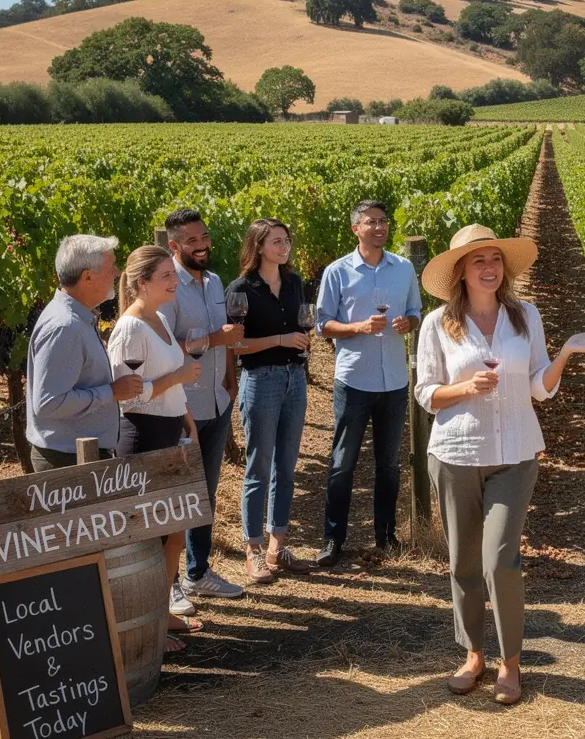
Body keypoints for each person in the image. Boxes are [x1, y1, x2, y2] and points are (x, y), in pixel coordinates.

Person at [415, 223, 585, 705]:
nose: (489, 267)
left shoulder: (525, 316)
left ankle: (510, 663)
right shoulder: (437, 325)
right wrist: (466, 390)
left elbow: (538, 387)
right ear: (460, 272)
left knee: (500, 559)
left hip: (516, 454)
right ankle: (473, 654)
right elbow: (425, 393)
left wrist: (565, 353)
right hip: (457, 454)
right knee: (463, 561)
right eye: (478, 261)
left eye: (495, 260)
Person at [315, 200, 423, 565]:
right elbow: (323, 325)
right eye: (370, 222)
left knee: (389, 465)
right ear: (355, 229)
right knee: (343, 463)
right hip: (354, 379)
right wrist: (360, 327)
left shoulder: (404, 268)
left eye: (383, 221)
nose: (379, 227)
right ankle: (333, 540)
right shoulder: (337, 272)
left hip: (393, 380)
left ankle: (386, 535)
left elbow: (414, 311)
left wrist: (410, 323)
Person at [107, 244, 203, 653]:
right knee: (150, 538)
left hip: (169, 432)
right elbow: (127, 398)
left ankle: (160, 611)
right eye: (165, 275)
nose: (174, 281)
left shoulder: (160, 318)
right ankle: (147, 627)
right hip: (142, 436)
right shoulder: (129, 329)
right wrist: (178, 376)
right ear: (141, 282)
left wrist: (188, 422)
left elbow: (169, 383)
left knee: (176, 533)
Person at [159, 208, 245, 607]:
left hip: (216, 400)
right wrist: (213, 339)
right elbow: (161, 346)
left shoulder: (214, 282)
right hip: (183, 407)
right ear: (174, 245)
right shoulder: (167, 287)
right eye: (191, 240)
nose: (201, 245)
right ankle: (170, 582)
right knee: (178, 496)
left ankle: (198, 571)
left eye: (204, 236)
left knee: (206, 493)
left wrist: (229, 381)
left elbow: (226, 338)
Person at [227, 218, 313, 584]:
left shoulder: (295, 283)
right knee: (258, 467)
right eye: (277, 241)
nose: (284, 247)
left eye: (286, 240)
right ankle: (254, 550)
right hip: (260, 381)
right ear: (259, 246)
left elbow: (304, 325)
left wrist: (302, 342)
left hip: (295, 379)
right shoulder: (241, 289)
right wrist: (281, 340)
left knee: (286, 466)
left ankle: (278, 546)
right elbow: (235, 344)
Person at [26, 234, 142, 470]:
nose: (118, 273)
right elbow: (50, 403)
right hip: (68, 460)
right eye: (111, 268)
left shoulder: (77, 319)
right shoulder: (64, 327)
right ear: (87, 277)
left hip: (76, 456)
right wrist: (110, 392)